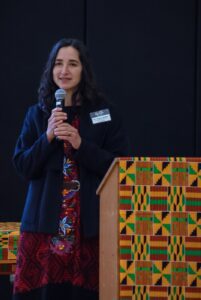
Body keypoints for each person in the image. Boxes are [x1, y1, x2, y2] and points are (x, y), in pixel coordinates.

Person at [12, 38, 130, 300]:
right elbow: (23, 166)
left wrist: (80, 144)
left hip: (88, 230)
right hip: (43, 229)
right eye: (58, 64)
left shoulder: (105, 113)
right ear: (50, 70)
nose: (64, 71)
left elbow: (119, 169)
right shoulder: (37, 114)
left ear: (83, 70)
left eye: (72, 64)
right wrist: (48, 137)